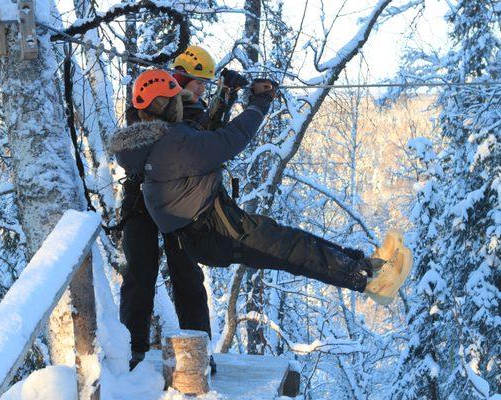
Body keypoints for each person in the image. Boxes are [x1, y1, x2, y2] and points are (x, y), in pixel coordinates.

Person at [111, 69, 410, 330]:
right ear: (166, 107)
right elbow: (230, 139)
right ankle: (372, 282)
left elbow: (202, 129)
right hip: (215, 231)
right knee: (293, 251)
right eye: (176, 101)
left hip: (213, 225)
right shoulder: (173, 145)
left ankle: (367, 266)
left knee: (294, 242)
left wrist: (225, 96)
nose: (181, 106)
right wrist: (259, 103)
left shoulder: (154, 142)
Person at [118, 45, 243, 373]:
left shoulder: (197, 109)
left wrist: (225, 99)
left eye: (205, 83)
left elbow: (210, 140)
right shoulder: (149, 100)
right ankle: (132, 351)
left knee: (187, 276)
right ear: (179, 79)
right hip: (142, 201)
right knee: (139, 275)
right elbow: (140, 137)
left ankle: (198, 352)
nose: (202, 88)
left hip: (180, 202)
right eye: (197, 81)